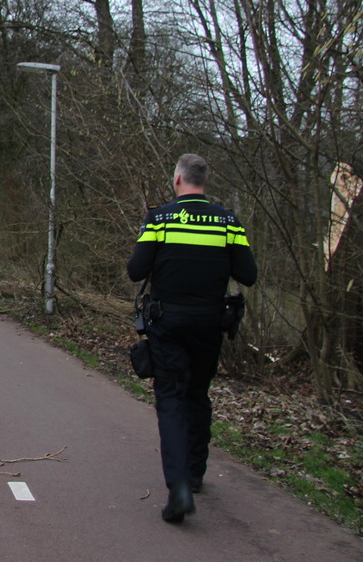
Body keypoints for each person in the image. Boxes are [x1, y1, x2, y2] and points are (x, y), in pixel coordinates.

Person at [127, 154, 257, 523]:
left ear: (178, 180)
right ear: (204, 181)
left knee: (169, 398)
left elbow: (136, 269)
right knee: (197, 394)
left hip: (167, 322)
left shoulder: (160, 218)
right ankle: (196, 473)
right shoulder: (228, 222)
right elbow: (248, 275)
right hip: (209, 323)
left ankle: (179, 487)